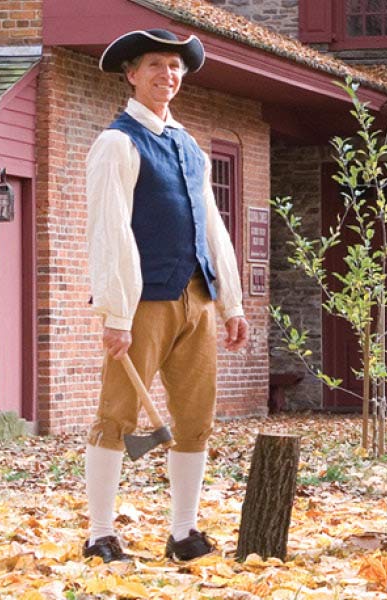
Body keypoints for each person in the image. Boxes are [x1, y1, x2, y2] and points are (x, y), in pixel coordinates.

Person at [82, 28, 249, 563]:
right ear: (131, 74)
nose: (167, 75)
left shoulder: (189, 145)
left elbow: (213, 226)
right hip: (142, 303)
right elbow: (110, 230)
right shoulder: (117, 143)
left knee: (196, 419)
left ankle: (183, 533)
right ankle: (100, 534)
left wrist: (231, 302)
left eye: (175, 67)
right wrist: (115, 311)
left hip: (195, 298)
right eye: (155, 65)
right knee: (118, 416)